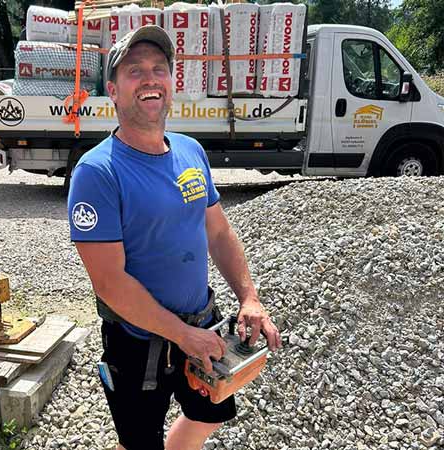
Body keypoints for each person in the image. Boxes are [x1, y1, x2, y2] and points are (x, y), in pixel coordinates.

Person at [68, 25, 282, 450]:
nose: (150, 78)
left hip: (202, 322)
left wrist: (249, 297)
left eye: (159, 68)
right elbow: (110, 283)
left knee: (211, 411)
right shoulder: (97, 173)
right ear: (112, 89)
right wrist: (182, 337)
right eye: (134, 71)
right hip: (137, 342)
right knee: (139, 440)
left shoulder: (190, 151)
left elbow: (218, 231)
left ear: (170, 82)